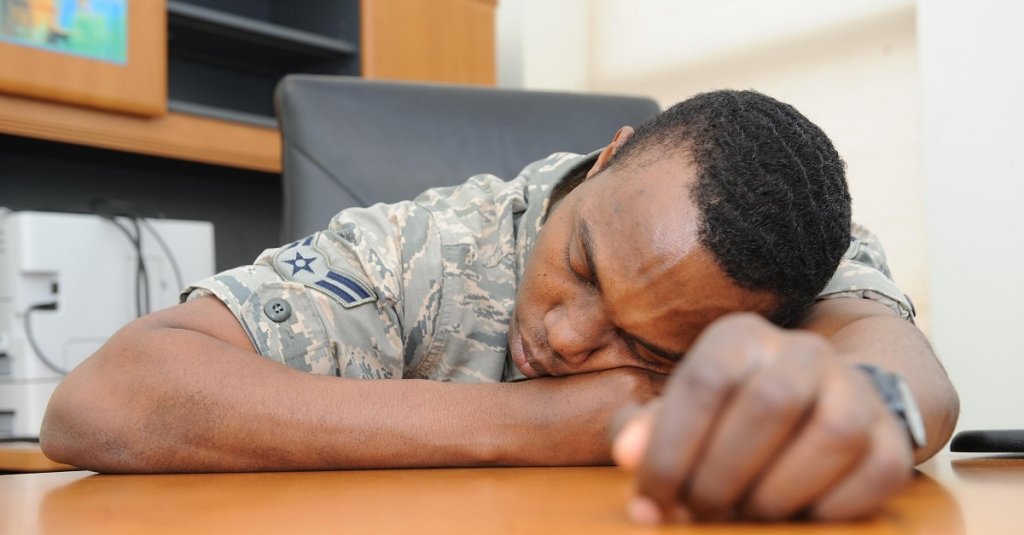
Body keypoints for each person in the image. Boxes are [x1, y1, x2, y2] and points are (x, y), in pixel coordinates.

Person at [40, 90, 958, 523]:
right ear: (606, 160)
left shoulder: (781, 258)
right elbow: (99, 404)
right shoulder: (421, 245)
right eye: (583, 263)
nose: (564, 334)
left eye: (647, 344)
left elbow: (898, 372)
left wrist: (863, 407)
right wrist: (548, 422)